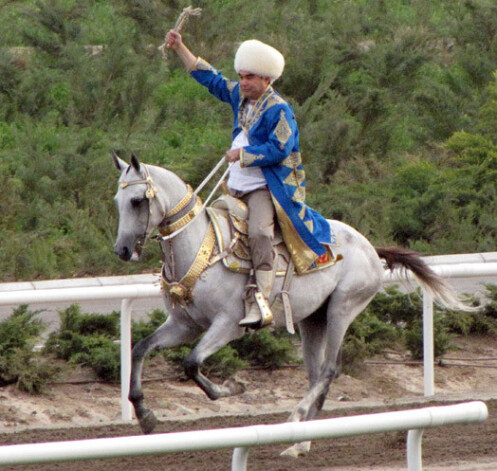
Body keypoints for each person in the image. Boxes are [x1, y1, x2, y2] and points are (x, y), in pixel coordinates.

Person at [165, 31, 333, 328]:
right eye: (241, 76)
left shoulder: (280, 110)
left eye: (250, 77)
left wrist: (242, 155)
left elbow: (281, 149)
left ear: (266, 79)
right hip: (235, 185)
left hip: (265, 187)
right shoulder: (240, 97)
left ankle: (262, 299)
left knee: (260, 233)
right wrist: (180, 48)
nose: (243, 82)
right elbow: (211, 79)